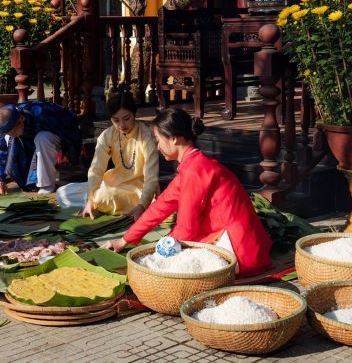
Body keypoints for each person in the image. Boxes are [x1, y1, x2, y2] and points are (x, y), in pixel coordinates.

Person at [102, 107, 272, 277]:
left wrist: (158, 252)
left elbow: (186, 228)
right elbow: (161, 206)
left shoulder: (195, 169)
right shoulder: (194, 165)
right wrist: (124, 240)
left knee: (162, 266)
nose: (158, 146)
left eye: (158, 140)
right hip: (242, 243)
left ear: (174, 139)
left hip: (239, 251)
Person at [75, 91, 159, 220]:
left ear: (134, 114)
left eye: (126, 119)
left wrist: (142, 205)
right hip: (114, 184)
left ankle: (105, 203)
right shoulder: (108, 135)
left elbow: (151, 179)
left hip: (139, 190)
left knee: (102, 196)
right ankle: (95, 203)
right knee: (65, 192)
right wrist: (90, 200)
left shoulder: (146, 137)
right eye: (115, 120)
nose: (121, 125)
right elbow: (96, 170)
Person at [0, 101, 82, 195]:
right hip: (30, 140)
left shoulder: (42, 113)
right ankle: (28, 183)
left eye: (13, 131)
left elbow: (70, 132)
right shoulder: (8, 125)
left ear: (21, 118)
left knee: (42, 138)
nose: (12, 134)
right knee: (10, 139)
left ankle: (47, 185)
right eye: (8, 132)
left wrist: (69, 155)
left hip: (57, 135)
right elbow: (1, 151)